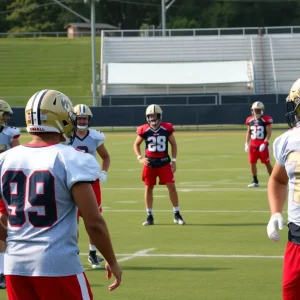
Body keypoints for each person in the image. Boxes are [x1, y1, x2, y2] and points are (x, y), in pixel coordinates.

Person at [0, 89, 121, 300]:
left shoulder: (5, 159)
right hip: (58, 265)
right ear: (61, 117)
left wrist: (13, 242)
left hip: (15, 265)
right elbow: (93, 222)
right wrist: (111, 260)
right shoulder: (71, 158)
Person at [267, 78, 300, 300]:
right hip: (297, 235)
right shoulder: (288, 140)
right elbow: (277, 180)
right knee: (291, 292)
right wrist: (275, 212)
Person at [72, 104, 110, 269]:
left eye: (84, 118)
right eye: (79, 118)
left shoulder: (95, 136)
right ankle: (73, 254)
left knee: (92, 218)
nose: (82, 121)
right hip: (71, 182)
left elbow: (106, 157)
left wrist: (104, 172)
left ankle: (93, 253)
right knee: (71, 221)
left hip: (91, 181)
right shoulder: (66, 137)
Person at [133, 104, 185, 226]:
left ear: (159, 116)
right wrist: (140, 158)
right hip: (150, 163)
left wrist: (174, 160)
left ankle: (177, 214)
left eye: (155, 115)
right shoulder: (144, 129)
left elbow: (174, 144)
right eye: (150, 115)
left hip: (164, 162)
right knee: (149, 187)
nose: (153, 118)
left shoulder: (166, 128)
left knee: (171, 186)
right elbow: (136, 144)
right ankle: (149, 215)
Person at [0, 100, 21, 290]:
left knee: (3, 221)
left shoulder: (9, 134)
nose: (7, 118)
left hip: (3, 184)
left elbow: (17, 158)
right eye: (4, 114)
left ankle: (2, 270)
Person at [245, 101, 273, 187]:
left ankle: (274, 181)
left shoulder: (266, 119)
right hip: (253, 146)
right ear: (252, 110)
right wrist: (246, 143)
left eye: (258, 110)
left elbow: (269, 133)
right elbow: (248, 132)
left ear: (262, 110)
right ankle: (255, 181)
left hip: (262, 146)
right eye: (255, 110)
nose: (256, 112)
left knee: (267, 163)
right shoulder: (250, 120)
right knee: (252, 163)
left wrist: (264, 143)